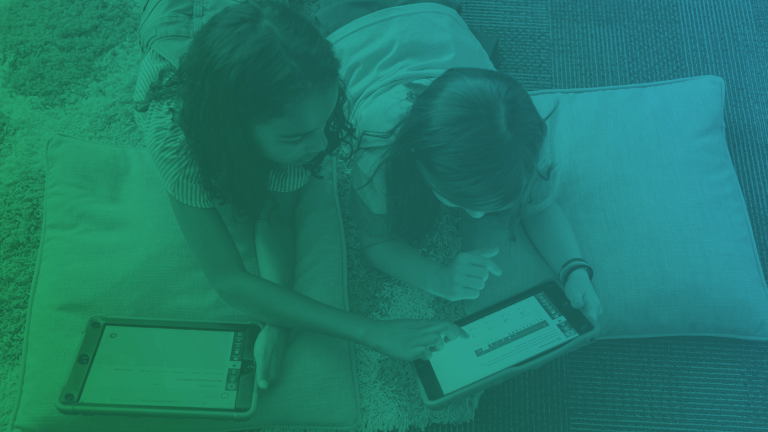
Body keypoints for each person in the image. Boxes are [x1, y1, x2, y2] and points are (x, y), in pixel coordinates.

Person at [133, 0, 469, 391]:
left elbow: (274, 219)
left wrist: (277, 319)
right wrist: (372, 331)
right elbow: (227, 279)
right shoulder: (177, 141)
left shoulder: (301, 108)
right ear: (233, 131)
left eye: (325, 121)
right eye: (295, 136)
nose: (322, 143)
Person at [319, 0, 604, 321]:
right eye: (459, 199)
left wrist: (575, 269)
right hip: (348, 26)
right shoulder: (377, 152)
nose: (477, 213)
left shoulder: (515, 139)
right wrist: (437, 277)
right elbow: (375, 242)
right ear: (416, 156)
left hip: (432, 14)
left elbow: (540, 207)